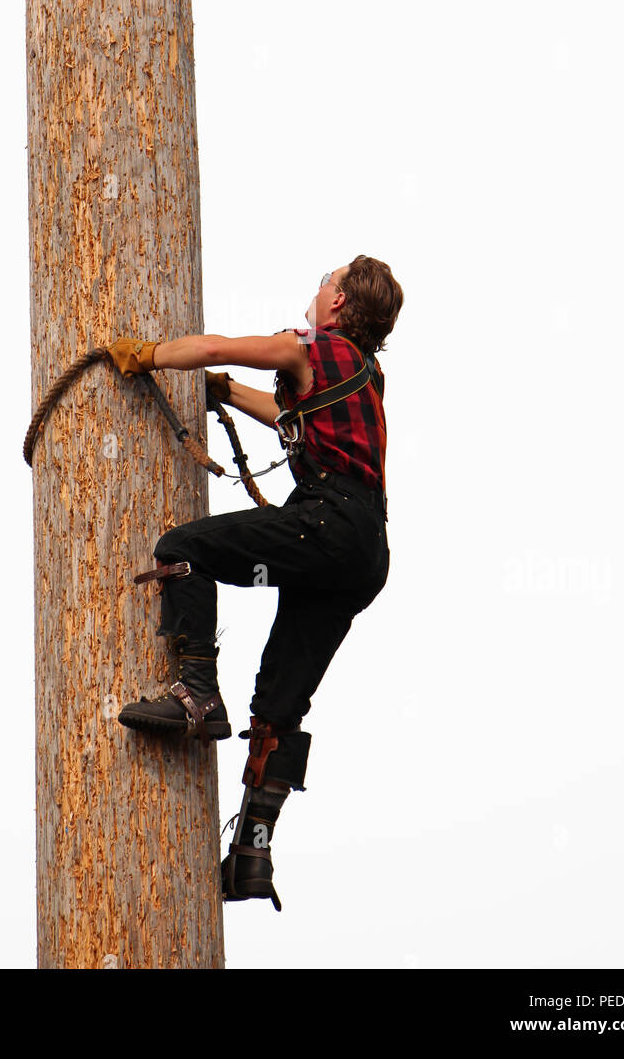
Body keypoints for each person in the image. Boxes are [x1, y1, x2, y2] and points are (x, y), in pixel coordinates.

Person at [105, 255, 403, 909]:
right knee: (278, 707)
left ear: (341, 304)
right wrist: (226, 395)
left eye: (329, 279)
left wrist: (146, 354)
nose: (319, 284)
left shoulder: (314, 348)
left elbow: (215, 346)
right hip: (360, 552)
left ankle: (196, 696)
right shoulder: (360, 371)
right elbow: (288, 416)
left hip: (326, 521)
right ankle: (252, 856)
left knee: (183, 548)